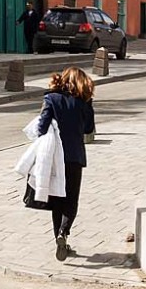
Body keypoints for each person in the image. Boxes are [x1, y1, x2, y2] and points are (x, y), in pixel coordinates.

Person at [34, 66, 96, 260]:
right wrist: (88, 104)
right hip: (74, 157)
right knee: (71, 199)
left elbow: (41, 128)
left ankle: (59, 240)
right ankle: (64, 232)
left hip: (54, 157)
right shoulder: (83, 102)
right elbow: (89, 129)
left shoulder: (51, 99)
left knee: (58, 200)